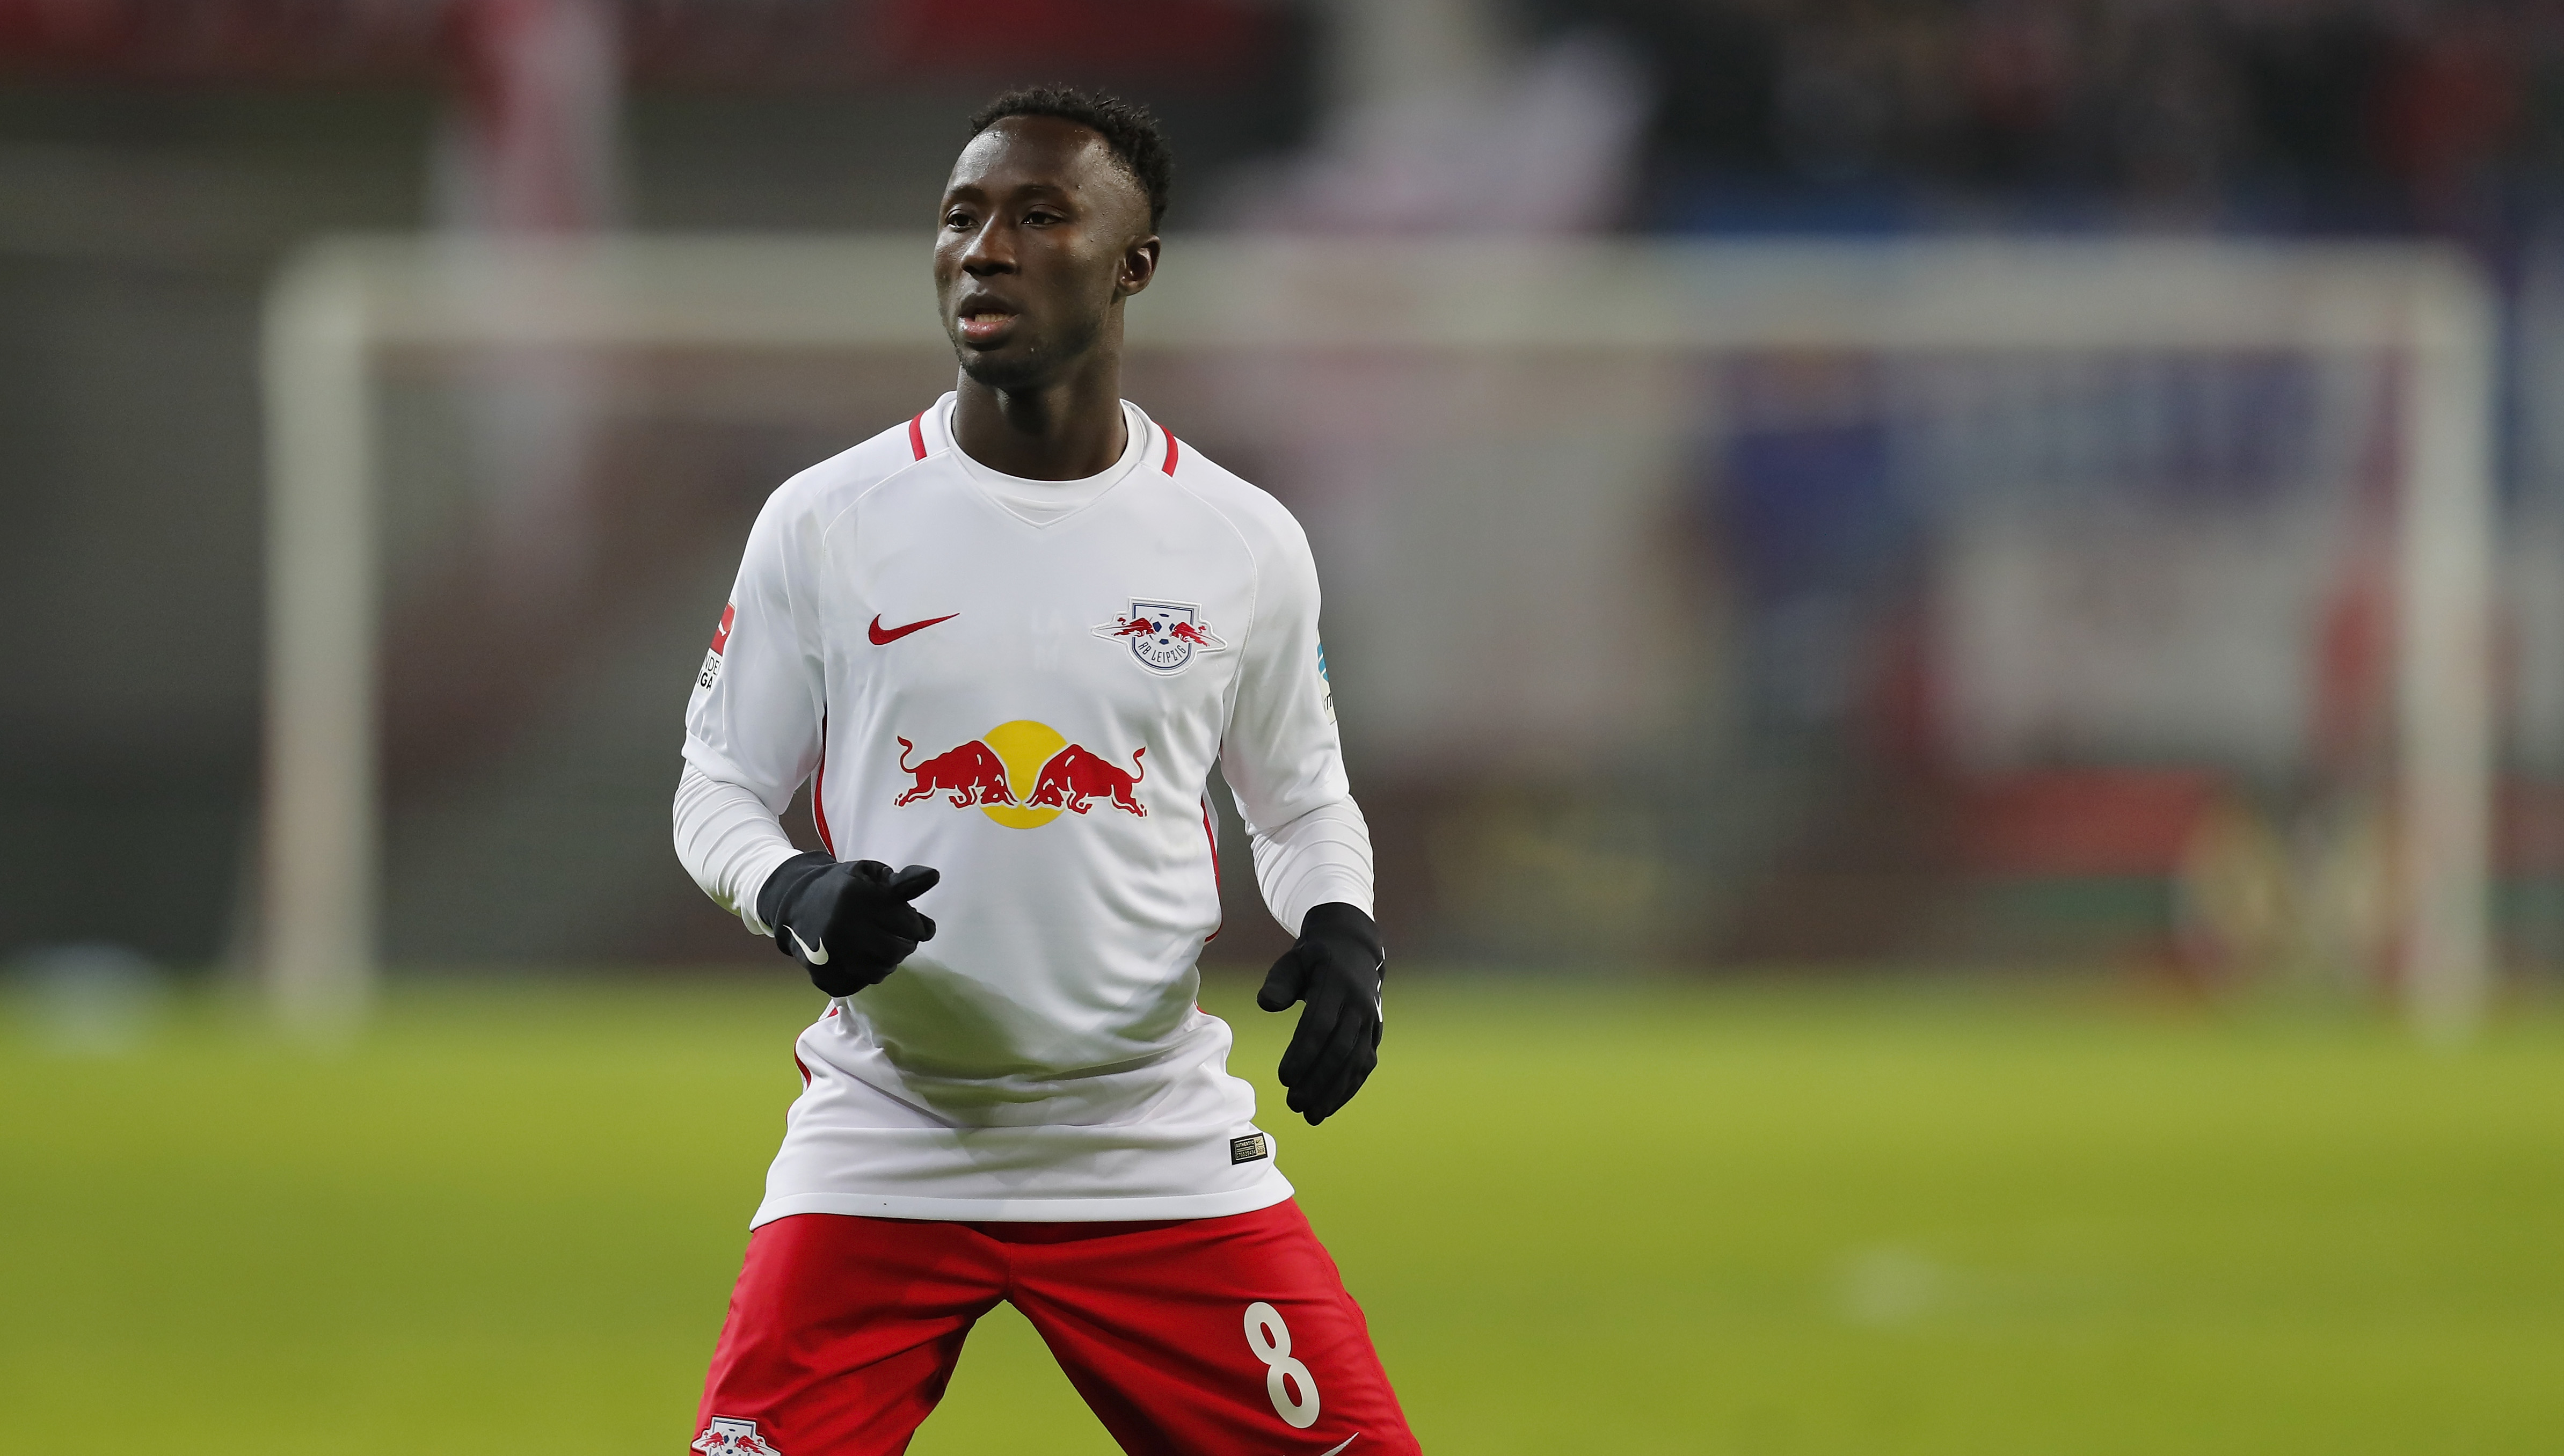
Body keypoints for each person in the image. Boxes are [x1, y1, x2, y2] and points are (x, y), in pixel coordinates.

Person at [672, 85, 1419, 1456]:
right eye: (962, 217)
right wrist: (793, 893)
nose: (986, 248)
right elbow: (713, 785)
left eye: (1039, 216)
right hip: (888, 1137)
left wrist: (1342, 927)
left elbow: (1300, 796)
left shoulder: (1240, 541)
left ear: (1134, 264)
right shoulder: (827, 522)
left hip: (1149, 1144)